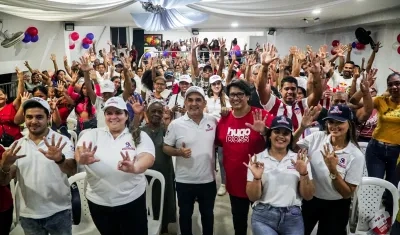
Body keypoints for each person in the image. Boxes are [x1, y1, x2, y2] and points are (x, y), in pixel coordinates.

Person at [75, 97, 155, 235]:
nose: (113, 117)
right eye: (109, 113)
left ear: (126, 115)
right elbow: (80, 150)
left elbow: (147, 157)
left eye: (118, 112)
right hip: (99, 203)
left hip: (131, 200)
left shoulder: (137, 135)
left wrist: (135, 167)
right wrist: (81, 158)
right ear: (104, 116)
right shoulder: (93, 134)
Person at [0, 97, 76, 235]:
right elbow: (4, 181)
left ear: (48, 118)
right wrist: (4, 166)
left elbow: (72, 170)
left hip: (59, 211)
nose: (33, 121)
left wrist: (60, 159)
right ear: (24, 118)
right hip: (28, 214)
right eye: (29, 117)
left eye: (39, 117)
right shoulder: (16, 146)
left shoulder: (61, 141)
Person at [216, 80, 274, 235]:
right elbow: (217, 143)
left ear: (248, 96)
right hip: (235, 182)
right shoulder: (224, 119)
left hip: (260, 180)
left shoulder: (260, 115)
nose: (235, 98)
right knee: (239, 222)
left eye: (240, 94)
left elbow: (280, 138)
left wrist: (264, 132)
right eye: (232, 95)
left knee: (263, 224)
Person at [296, 104, 364, 235]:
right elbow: (291, 148)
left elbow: (347, 194)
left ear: (349, 123)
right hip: (311, 200)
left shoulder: (355, 155)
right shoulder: (317, 138)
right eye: (331, 122)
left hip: (337, 206)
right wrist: (302, 127)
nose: (334, 126)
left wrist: (333, 170)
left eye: (340, 122)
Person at [245, 114, 314, 235]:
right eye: (277, 131)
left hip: (293, 216)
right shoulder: (257, 159)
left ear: (290, 137)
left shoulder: (301, 159)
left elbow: (308, 196)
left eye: (286, 133)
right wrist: (257, 178)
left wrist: (304, 173)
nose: (281, 136)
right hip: (263, 216)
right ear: (270, 135)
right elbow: (252, 197)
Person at [163, 86, 218, 235]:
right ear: (185, 103)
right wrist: (178, 152)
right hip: (184, 181)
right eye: (190, 100)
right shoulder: (176, 124)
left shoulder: (213, 121)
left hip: (208, 180)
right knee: (185, 215)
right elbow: (166, 147)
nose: (194, 103)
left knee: (208, 215)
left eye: (198, 100)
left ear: (204, 103)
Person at [138, 101, 177, 234]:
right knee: (147, 200)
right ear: (147, 113)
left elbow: (175, 145)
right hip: (145, 173)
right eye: (153, 111)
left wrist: (167, 125)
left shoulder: (167, 129)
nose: (156, 114)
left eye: (159, 112)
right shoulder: (141, 131)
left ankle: (164, 225)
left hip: (165, 171)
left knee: (164, 198)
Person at [366, 72, 400, 215]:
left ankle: (388, 221)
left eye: (397, 83)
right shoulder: (381, 100)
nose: (394, 87)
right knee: (375, 187)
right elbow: (354, 103)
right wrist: (365, 89)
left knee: (392, 189)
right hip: (376, 149)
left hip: (397, 152)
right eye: (390, 84)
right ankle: (370, 219)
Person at [205, 74, 231, 196]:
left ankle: (224, 184)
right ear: (210, 86)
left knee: (221, 159)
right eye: (214, 84)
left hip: (222, 131)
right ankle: (211, 182)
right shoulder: (207, 99)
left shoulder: (227, 99)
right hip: (208, 131)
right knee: (210, 159)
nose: (216, 86)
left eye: (218, 84)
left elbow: (230, 115)